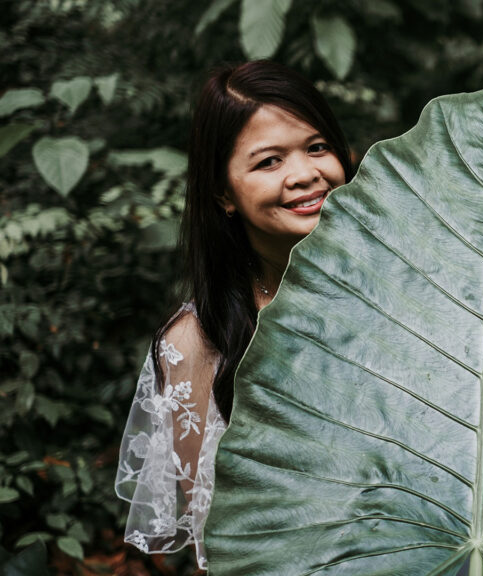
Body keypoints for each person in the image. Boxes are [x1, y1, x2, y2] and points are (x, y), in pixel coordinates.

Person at [114, 60, 353, 570]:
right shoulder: (196, 342)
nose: (306, 174)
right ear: (224, 193)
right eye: (269, 161)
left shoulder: (417, 291)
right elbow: (221, 536)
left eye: (317, 147)